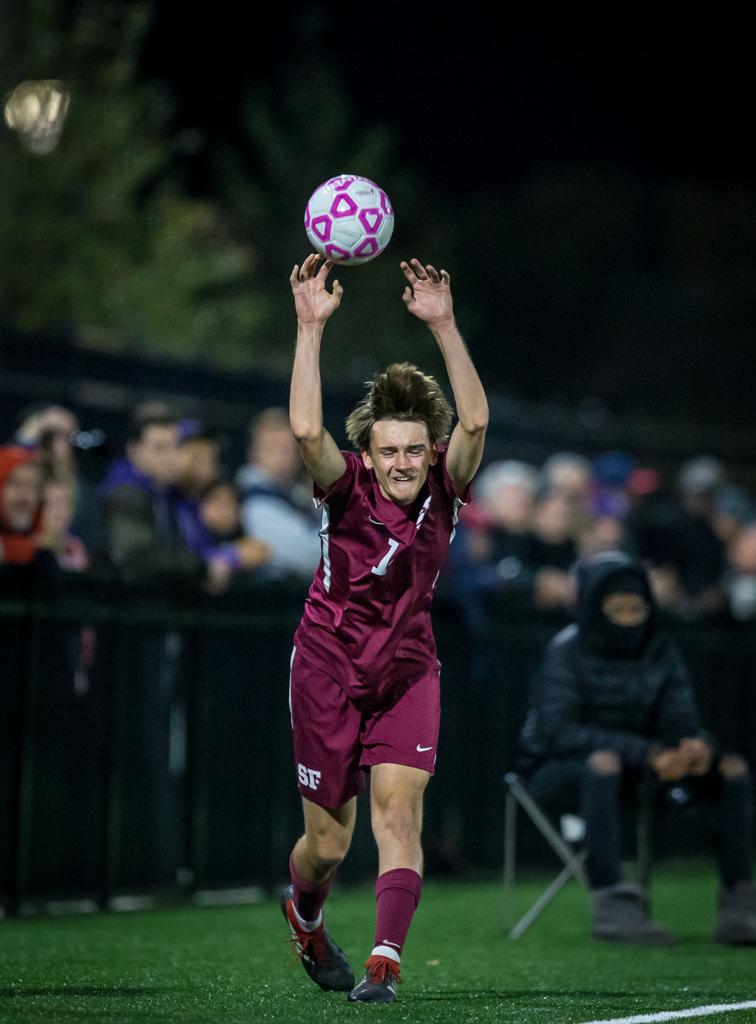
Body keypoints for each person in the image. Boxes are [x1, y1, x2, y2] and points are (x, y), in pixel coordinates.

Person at [281, 254, 488, 1003]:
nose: (403, 462)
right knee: (328, 843)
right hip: (328, 670)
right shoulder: (343, 488)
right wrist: (310, 327)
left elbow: (477, 419)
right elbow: (304, 425)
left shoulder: (447, 483)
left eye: (412, 448)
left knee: (399, 812)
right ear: (366, 453)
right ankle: (304, 912)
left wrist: (444, 323)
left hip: (406, 669)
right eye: (388, 450)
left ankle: (383, 963)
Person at [517, 551, 756, 945]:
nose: (629, 619)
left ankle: (739, 905)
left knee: (730, 769)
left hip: (647, 764)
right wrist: (646, 752)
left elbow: (680, 714)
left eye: (637, 609)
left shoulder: (660, 648)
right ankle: (612, 906)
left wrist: (694, 744)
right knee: (603, 764)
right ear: (595, 609)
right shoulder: (565, 650)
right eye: (618, 610)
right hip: (557, 771)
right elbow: (558, 733)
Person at [235, 407, 321, 580]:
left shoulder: (299, 493)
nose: (283, 455)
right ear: (253, 453)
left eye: (288, 448)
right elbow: (308, 556)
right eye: (273, 447)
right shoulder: (251, 500)